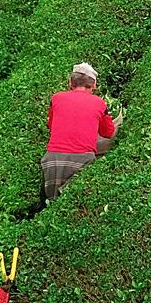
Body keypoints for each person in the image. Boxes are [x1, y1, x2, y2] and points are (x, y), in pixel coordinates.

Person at [41, 62, 117, 202]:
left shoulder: (56, 98)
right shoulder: (99, 103)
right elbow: (108, 133)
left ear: (70, 82)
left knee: (52, 205)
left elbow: (51, 125)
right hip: (83, 160)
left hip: (53, 159)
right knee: (74, 203)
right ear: (94, 85)